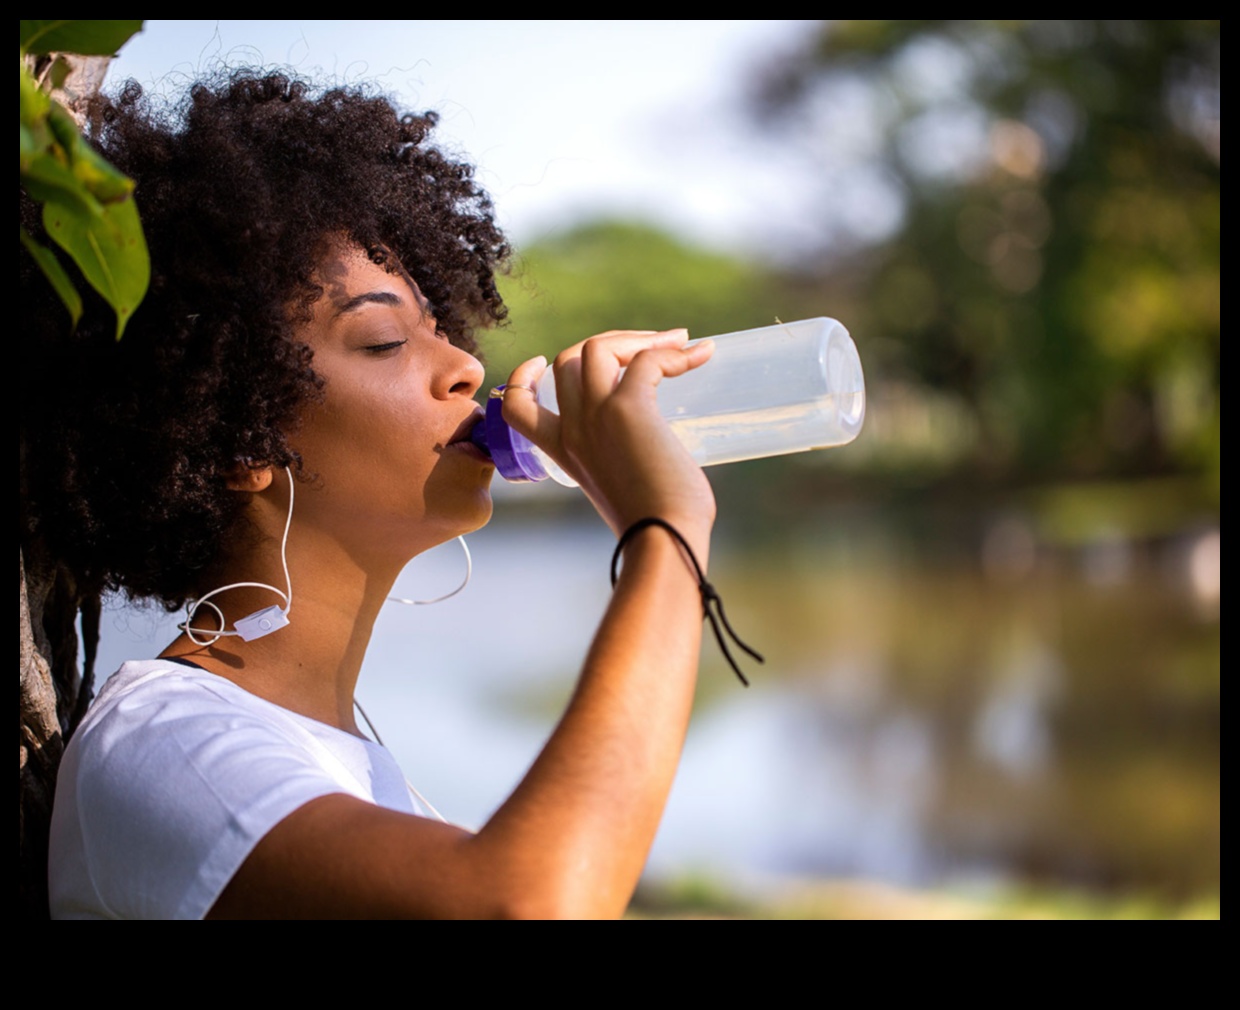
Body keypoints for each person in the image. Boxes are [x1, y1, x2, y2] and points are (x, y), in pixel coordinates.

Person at [24, 71, 719, 918]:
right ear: (242, 437)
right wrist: (667, 532)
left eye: (438, 325)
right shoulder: (170, 745)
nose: (465, 365)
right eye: (385, 340)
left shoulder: (324, 747)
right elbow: (531, 904)